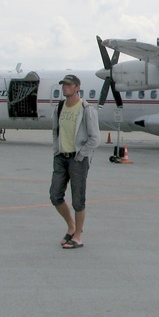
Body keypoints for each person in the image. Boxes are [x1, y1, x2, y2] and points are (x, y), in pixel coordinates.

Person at [50, 74, 100, 250]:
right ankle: (71, 226)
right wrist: (57, 150)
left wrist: (80, 156)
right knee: (55, 195)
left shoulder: (86, 109)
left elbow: (95, 138)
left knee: (78, 200)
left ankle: (78, 235)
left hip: (77, 159)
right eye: (64, 84)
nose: (65, 87)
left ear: (77, 87)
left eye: (69, 85)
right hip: (61, 157)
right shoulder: (60, 107)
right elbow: (55, 131)